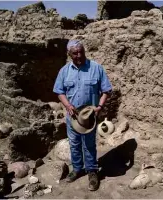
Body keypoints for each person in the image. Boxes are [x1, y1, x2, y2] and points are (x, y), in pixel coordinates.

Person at [53, 39, 112, 191]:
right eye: (75, 53)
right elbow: (59, 91)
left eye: (81, 52)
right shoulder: (64, 71)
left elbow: (106, 90)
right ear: (69, 54)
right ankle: (77, 169)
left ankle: (92, 171)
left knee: (89, 144)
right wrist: (67, 105)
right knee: (74, 144)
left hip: (88, 118)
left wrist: (99, 106)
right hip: (72, 118)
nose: (79, 55)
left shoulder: (96, 68)